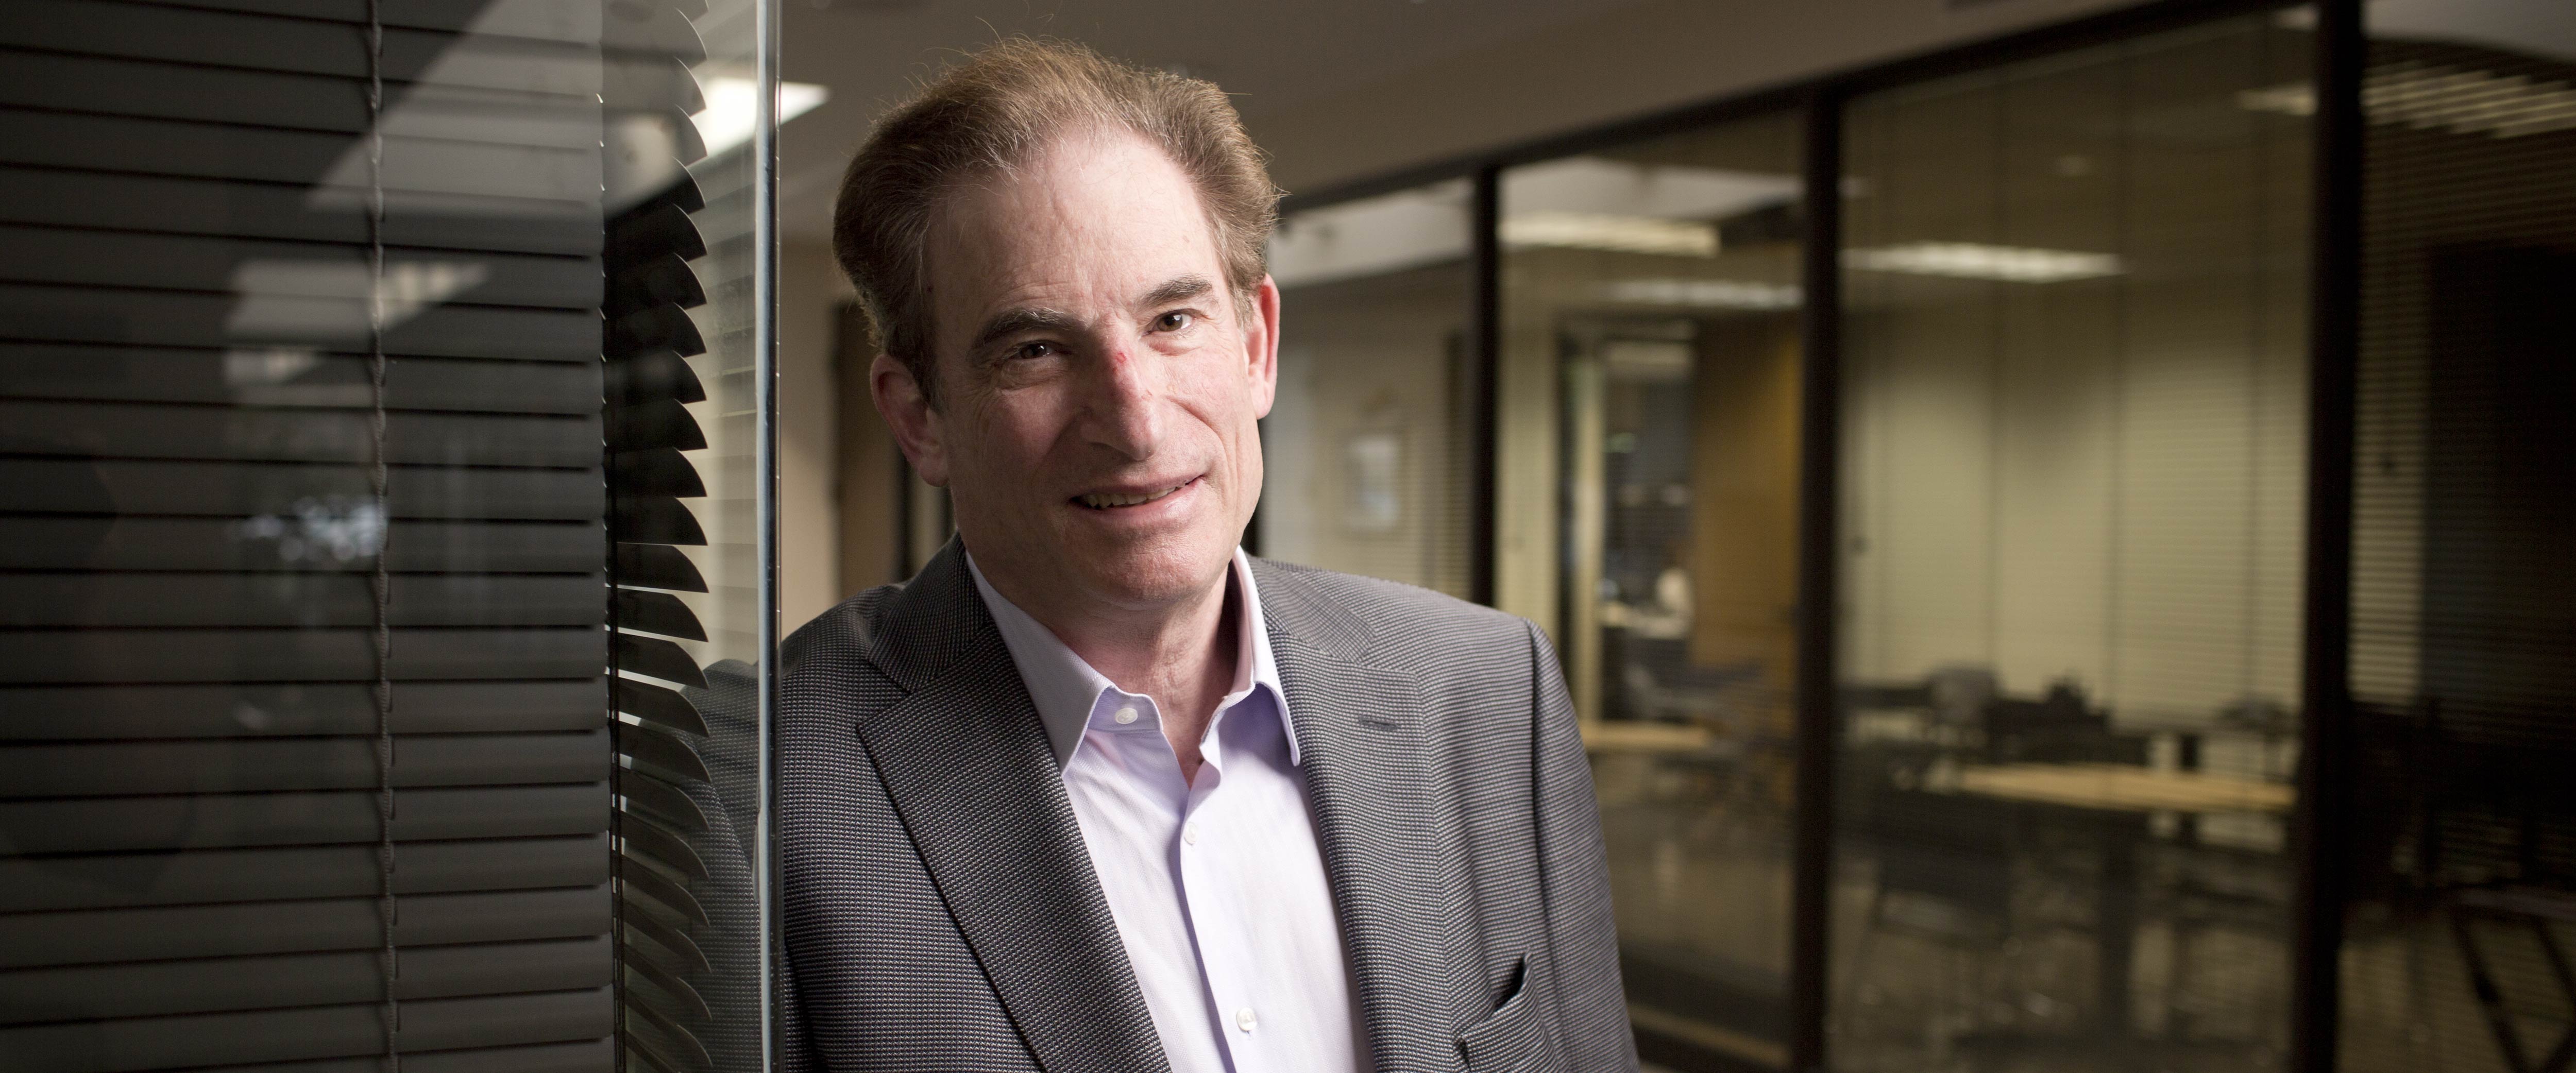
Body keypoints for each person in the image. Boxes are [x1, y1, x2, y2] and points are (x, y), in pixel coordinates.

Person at [778, 38, 1633, 1073]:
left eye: (1173, 318)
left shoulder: (1489, 692)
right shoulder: (773, 785)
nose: (1136, 422)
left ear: (1257, 344)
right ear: (920, 417)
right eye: (1035, 351)